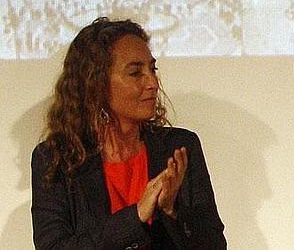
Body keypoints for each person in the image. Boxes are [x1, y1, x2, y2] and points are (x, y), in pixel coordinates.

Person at [31, 17, 226, 249]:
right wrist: (136, 216)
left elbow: (214, 245)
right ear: (96, 83)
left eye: (152, 69)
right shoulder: (55, 158)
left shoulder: (180, 147)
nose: (153, 82)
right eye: (135, 73)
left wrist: (171, 209)